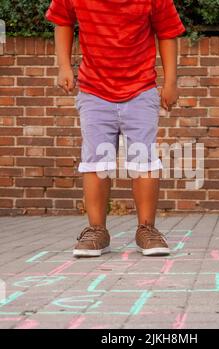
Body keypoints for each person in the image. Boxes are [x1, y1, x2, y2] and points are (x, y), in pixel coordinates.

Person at [45, 0, 186, 257]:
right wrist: (64, 66)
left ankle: (147, 229)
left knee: (143, 160)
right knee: (95, 161)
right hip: (94, 90)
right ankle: (96, 230)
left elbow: (167, 32)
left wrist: (171, 81)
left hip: (141, 89)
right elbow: (63, 20)